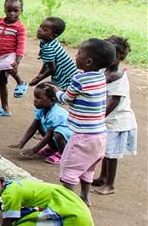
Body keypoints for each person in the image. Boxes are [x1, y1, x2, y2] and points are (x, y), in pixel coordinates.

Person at [53, 38, 115, 203]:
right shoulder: (101, 77)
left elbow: (66, 99)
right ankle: (84, 198)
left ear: (88, 61)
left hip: (83, 136)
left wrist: (55, 91)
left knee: (69, 169)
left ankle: (69, 203)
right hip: (100, 136)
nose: (76, 55)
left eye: (79, 52)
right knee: (88, 169)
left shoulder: (79, 79)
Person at [92, 36, 136, 196]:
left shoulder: (117, 75)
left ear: (118, 57)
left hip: (117, 122)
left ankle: (110, 184)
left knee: (111, 155)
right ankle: (103, 177)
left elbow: (114, 101)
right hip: (108, 120)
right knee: (105, 152)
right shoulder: (106, 71)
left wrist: (98, 116)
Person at [11, 83, 72, 164]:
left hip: (69, 142)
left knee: (58, 133)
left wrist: (34, 150)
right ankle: (53, 148)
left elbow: (49, 135)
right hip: (58, 137)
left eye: (39, 98)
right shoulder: (42, 110)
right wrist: (22, 142)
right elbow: (33, 127)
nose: (35, 100)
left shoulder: (56, 114)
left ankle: (62, 154)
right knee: (39, 125)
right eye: (35, 97)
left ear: (52, 100)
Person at [29, 17, 77, 89]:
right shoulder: (46, 41)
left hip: (66, 79)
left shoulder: (49, 47)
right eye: (40, 26)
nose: (39, 30)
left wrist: (38, 79)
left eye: (45, 30)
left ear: (53, 35)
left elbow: (52, 69)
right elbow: (47, 62)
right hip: (67, 75)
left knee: (59, 96)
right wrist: (40, 74)